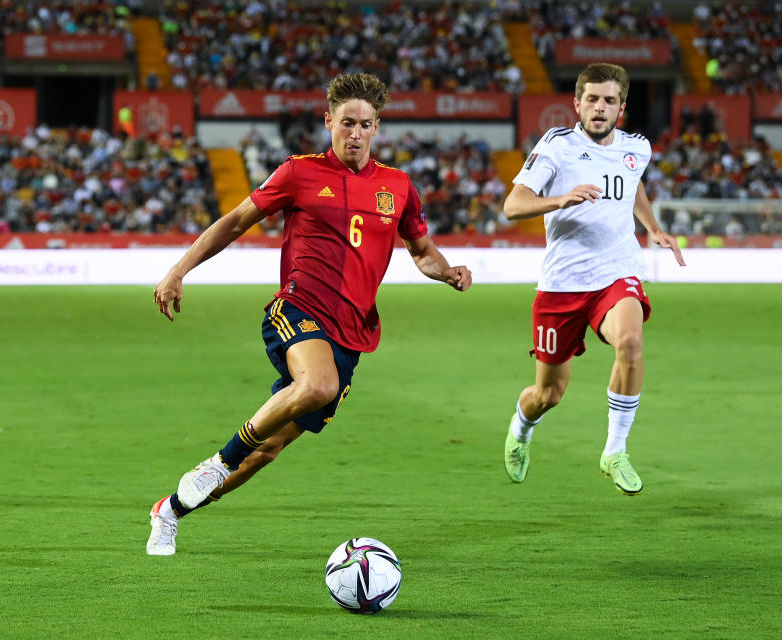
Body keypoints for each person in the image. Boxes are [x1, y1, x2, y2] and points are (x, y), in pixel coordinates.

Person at [147, 72, 472, 555]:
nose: (355, 133)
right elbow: (237, 220)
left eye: (364, 125)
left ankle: (170, 511)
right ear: (329, 121)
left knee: (268, 451)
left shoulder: (398, 186)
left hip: (352, 334)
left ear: (377, 126)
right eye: (346, 123)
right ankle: (218, 461)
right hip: (298, 309)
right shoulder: (299, 172)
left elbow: (421, 250)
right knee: (315, 385)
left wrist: (446, 271)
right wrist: (179, 269)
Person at [501, 63, 685, 495]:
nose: (599, 108)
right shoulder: (557, 147)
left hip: (616, 272)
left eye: (609, 100)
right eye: (592, 99)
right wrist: (561, 199)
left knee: (631, 342)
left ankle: (615, 451)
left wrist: (652, 227)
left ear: (622, 107)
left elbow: (632, 181)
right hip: (562, 284)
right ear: (577, 104)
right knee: (548, 394)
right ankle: (521, 429)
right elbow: (514, 205)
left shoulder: (638, 147)